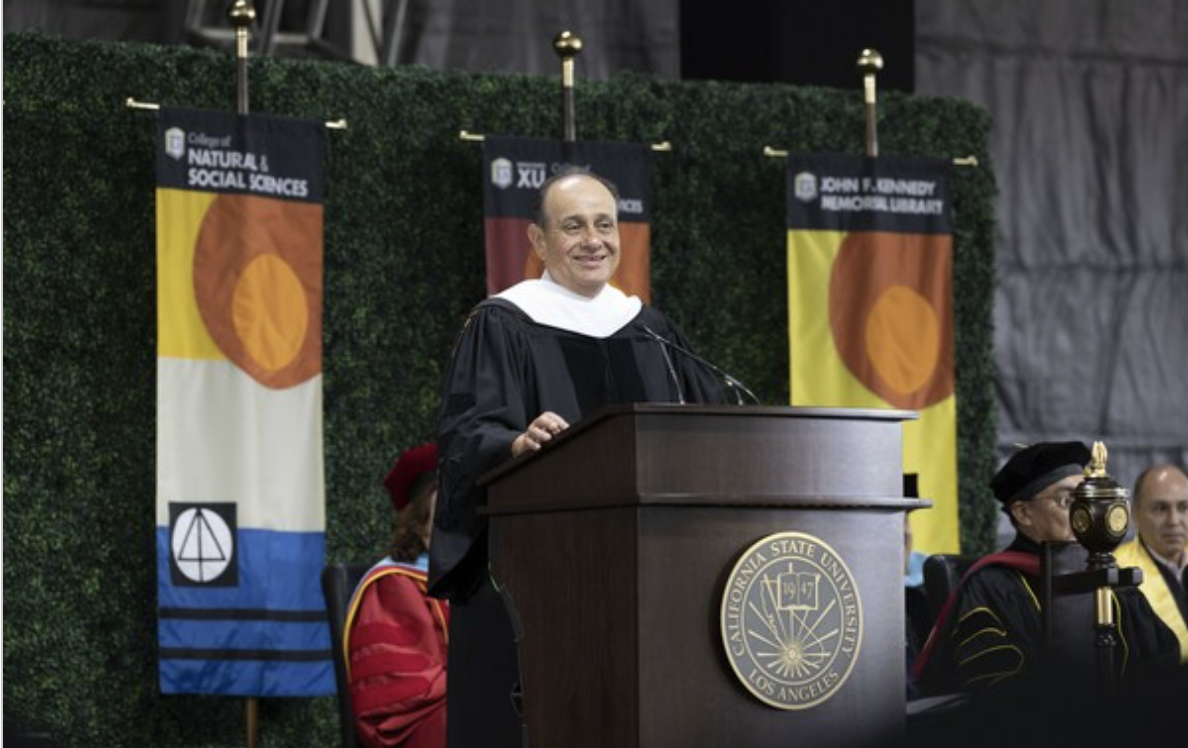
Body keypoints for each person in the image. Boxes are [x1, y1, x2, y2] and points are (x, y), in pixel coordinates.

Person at [429, 166, 730, 748]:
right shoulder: (504, 323)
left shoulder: (651, 330)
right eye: (573, 226)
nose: (594, 239)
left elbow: (709, 424)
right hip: (540, 580)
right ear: (539, 242)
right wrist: (515, 445)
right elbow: (464, 434)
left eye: (605, 224)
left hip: (653, 583)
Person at [912, 441, 1178, 696]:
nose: (1083, 513)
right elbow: (996, 683)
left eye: (1086, 499)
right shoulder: (993, 587)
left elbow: (1164, 656)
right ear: (1023, 513)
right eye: (1067, 501)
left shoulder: (1110, 577)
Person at [346, 443, 450, 748]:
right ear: (418, 524)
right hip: (426, 724)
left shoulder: (489, 576)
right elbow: (402, 694)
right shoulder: (393, 584)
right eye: (442, 521)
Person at [1116, 464, 1188, 663]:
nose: (1174, 520)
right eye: (1160, 508)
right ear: (1134, 515)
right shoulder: (1118, 575)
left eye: (1184, 507)